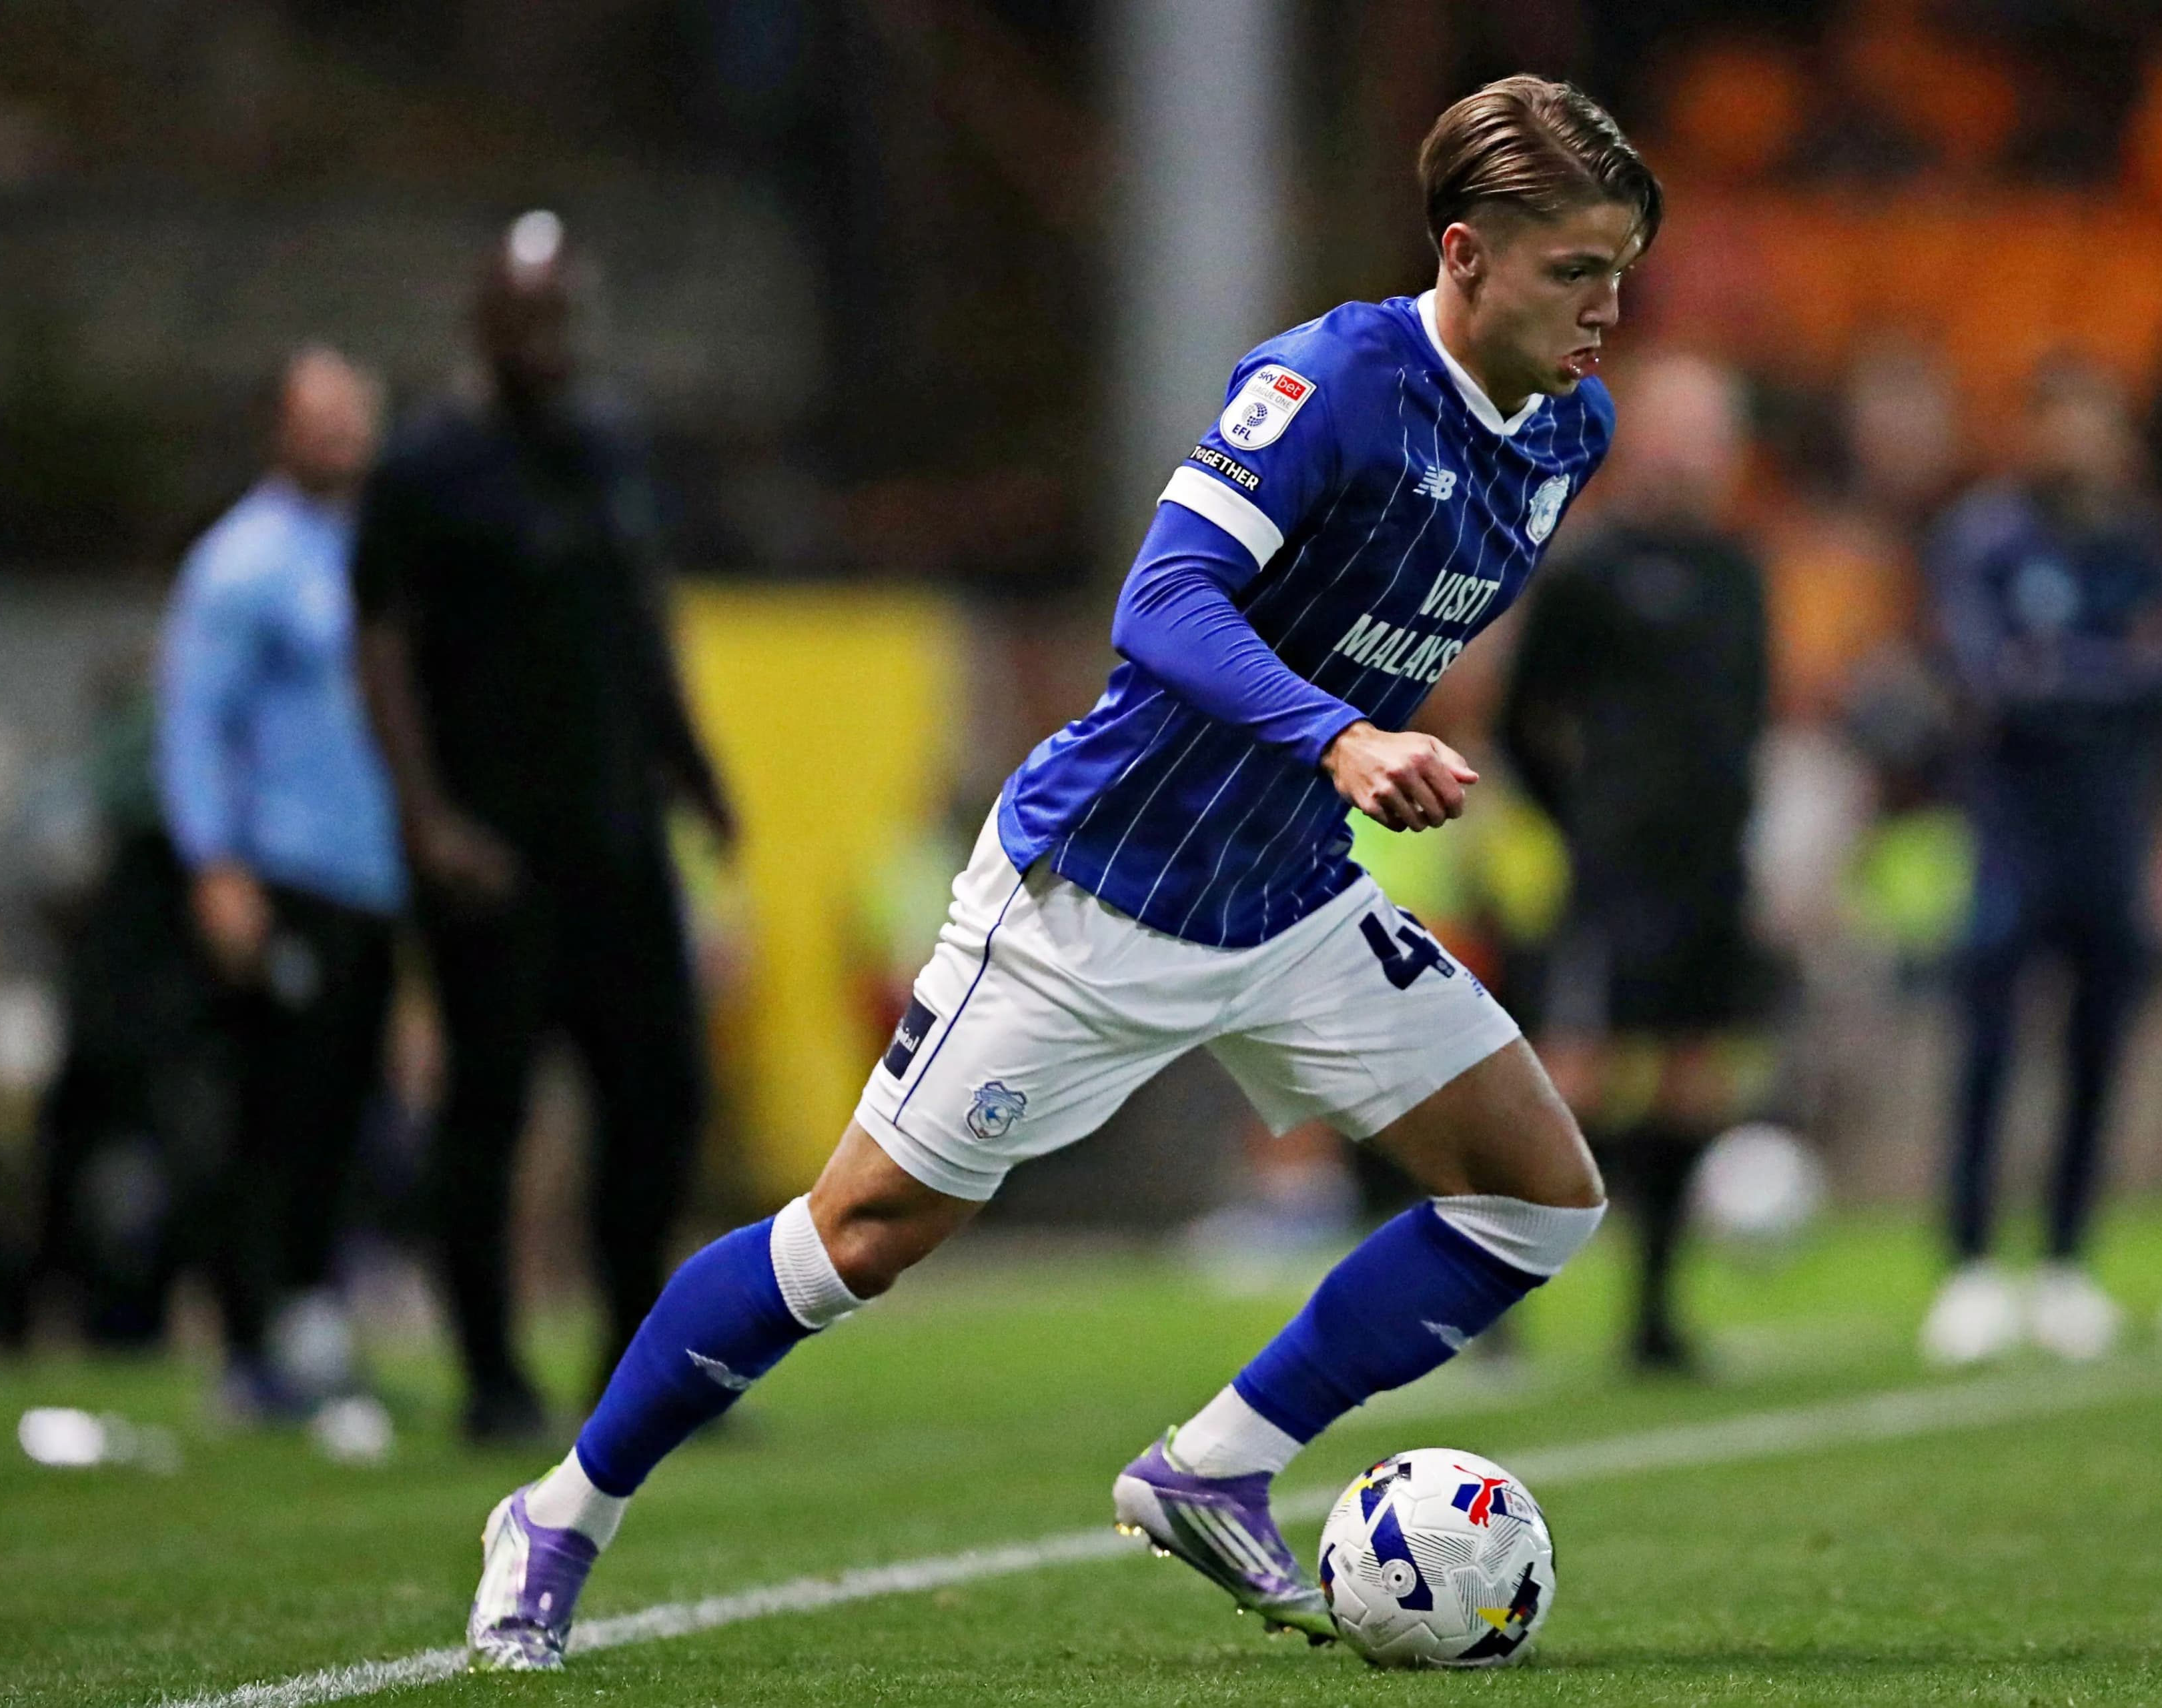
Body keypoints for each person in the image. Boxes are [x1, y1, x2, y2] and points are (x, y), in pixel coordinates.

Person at [461, 75, 1656, 1669]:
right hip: (1094, 896)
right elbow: (1162, 607)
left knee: (1534, 1195)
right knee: (853, 1244)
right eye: (1578, 272)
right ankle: (559, 1513)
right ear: (1465, 255)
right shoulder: (1329, 384)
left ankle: (1217, 1463)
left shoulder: (1570, 432)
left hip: (1288, 895)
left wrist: (1371, 761)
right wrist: (1342, 742)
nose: (1608, 310)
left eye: (1621, 272)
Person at [354, 212, 736, 1443]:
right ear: (485, 322)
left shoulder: (610, 446)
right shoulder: (427, 464)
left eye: (568, 314)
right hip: (493, 846)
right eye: (531, 316)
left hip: (617, 836)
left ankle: (634, 1369)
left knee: (660, 1096)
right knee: (490, 1105)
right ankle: (489, 1373)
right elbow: (380, 642)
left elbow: (639, 619)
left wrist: (695, 771)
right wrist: (426, 818)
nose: (553, 339)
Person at [1499, 352, 1774, 1373]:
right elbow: (1527, 715)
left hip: (1713, 868)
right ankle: (1497, 1299)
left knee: (1693, 1080)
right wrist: (1582, 820)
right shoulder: (1592, 569)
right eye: (1678, 427)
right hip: (1614, 870)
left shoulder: (1739, 571)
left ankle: (1653, 1313)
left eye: (1712, 431)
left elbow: (1746, 719)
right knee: (1576, 1078)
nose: (1694, 453)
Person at [1920, 359, 2162, 1368]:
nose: (2081, 445)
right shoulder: (1985, 537)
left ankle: (2069, 1260)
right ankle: (1971, 1264)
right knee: (1990, 1050)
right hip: (2011, 831)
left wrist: (2064, 671)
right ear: (2031, 432)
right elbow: (1989, 680)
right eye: (2064, 422)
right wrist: (2110, 670)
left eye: (2098, 422)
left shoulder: (2137, 535)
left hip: (2111, 832)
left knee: (2096, 1051)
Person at [155, 347, 404, 1415]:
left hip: (373, 878)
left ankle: (309, 1322)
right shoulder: (243, 561)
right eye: (324, 417)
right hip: (284, 868)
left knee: (348, 1110)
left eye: (358, 415)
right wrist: (216, 862)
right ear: (280, 428)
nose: (345, 436)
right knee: (275, 1111)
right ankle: (249, 1344)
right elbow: (193, 717)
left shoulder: (374, 551)